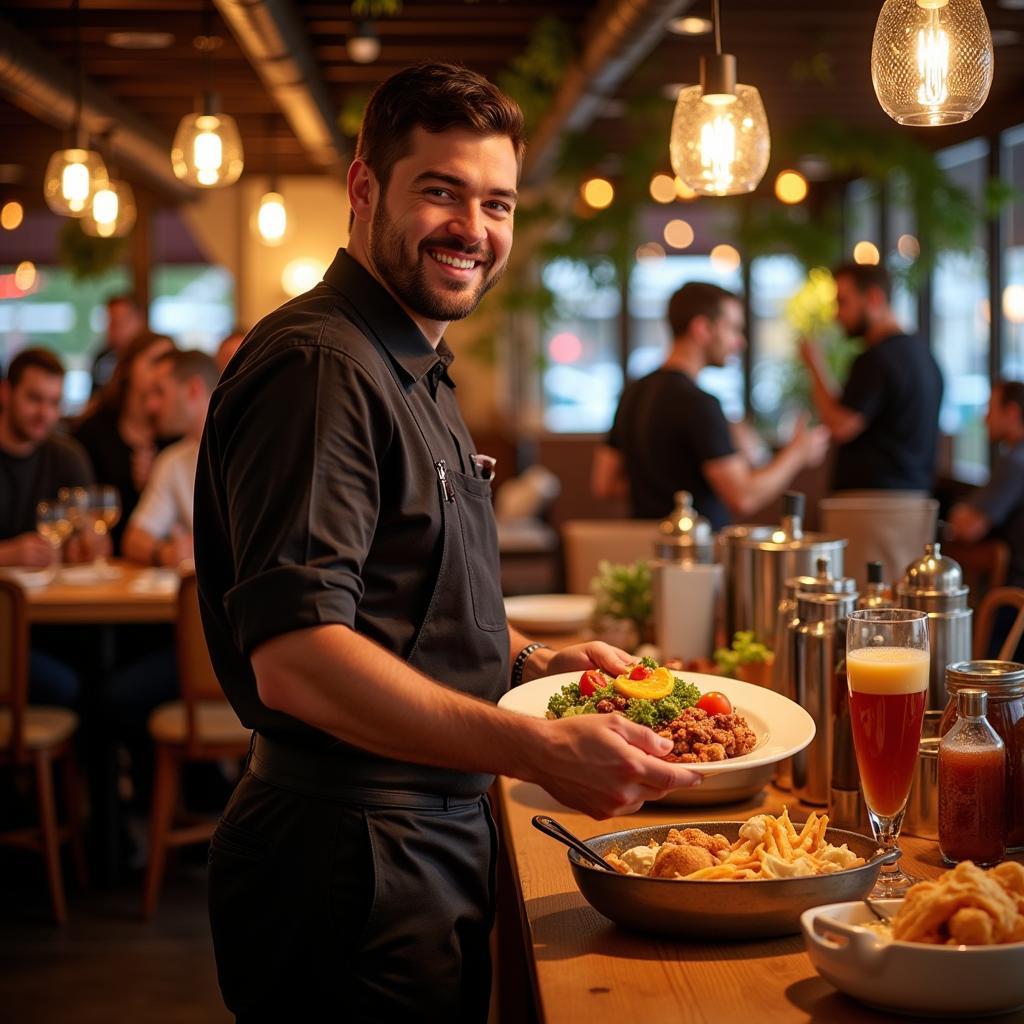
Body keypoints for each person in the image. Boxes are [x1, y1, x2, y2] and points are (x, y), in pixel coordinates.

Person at [194, 62, 700, 1022]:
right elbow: (299, 659)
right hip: (347, 861)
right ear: (363, 189)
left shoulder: (411, 362)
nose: (474, 227)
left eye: (497, 202)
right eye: (441, 191)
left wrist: (535, 660)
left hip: (420, 840)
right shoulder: (320, 365)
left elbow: (400, 601)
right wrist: (540, 745)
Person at [591, 281, 829, 528]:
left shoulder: (633, 392)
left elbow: (604, 484)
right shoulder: (699, 403)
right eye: (733, 329)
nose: (740, 342)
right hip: (695, 557)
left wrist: (670, 488)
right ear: (702, 328)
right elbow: (743, 497)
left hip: (647, 551)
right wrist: (797, 453)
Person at [0, 348, 93, 705]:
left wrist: (86, 546)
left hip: (53, 621)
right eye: (34, 399)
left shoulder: (67, 456)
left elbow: (91, 538)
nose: (45, 414)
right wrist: (12, 553)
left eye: (54, 402)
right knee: (71, 686)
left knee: (97, 659)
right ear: (6, 393)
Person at [799, 263, 943, 493]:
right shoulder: (923, 353)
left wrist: (814, 364)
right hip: (914, 497)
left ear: (874, 298)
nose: (837, 314)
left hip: (874, 502)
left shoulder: (877, 358)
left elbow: (839, 425)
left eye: (842, 302)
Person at [73, 331, 177, 553]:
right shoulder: (93, 431)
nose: (162, 372)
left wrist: (154, 482)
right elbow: (78, 499)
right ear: (128, 367)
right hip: (99, 556)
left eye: (170, 364)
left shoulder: (175, 435)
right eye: (155, 362)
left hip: (154, 562)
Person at [947, 379, 1024, 656]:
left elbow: (968, 527)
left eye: (990, 408)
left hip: (1013, 601)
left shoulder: (1014, 461)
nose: (984, 417)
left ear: (1012, 412)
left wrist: (959, 513)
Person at [122, 349, 218, 568]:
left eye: (160, 392)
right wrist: (164, 552)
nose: (151, 406)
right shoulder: (172, 461)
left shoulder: (246, 451)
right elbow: (134, 539)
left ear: (193, 390)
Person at [91, 293, 145, 394]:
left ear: (139, 321)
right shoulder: (102, 359)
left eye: (120, 322)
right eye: (110, 322)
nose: (113, 329)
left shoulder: (150, 358)